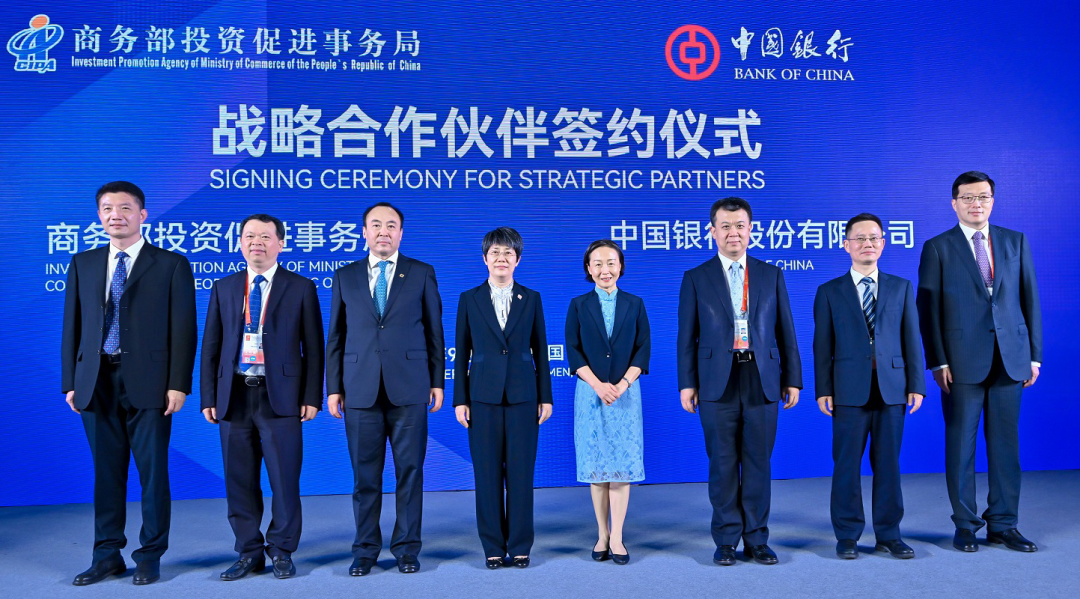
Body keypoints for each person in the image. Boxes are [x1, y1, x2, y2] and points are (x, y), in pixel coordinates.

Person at [61, 181, 197, 586]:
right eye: (107, 208)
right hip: (95, 380)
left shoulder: (170, 264)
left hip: (151, 383)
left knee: (152, 474)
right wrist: (71, 381)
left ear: (142, 214)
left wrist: (178, 384)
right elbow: (72, 326)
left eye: (124, 208)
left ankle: (150, 554)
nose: (115, 215)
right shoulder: (83, 263)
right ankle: (106, 555)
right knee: (106, 474)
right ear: (99, 216)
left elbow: (184, 330)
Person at [917, 171, 1042, 553]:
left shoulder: (1014, 241)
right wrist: (938, 362)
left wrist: (1034, 355)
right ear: (954, 203)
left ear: (993, 200)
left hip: (1011, 359)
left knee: (1006, 448)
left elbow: (1029, 299)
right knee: (961, 448)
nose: (977, 204)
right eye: (968, 197)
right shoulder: (937, 247)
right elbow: (928, 310)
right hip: (960, 364)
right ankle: (966, 525)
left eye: (983, 197)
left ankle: (1004, 524)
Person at [676, 197, 801, 567]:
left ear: (751, 229)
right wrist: (687, 383)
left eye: (740, 225)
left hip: (762, 378)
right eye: (726, 226)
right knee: (723, 463)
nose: (734, 233)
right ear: (712, 231)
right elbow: (686, 337)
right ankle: (727, 539)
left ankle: (757, 539)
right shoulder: (696, 277)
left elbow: (786, 331)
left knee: (759, 462)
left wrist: (793, 378)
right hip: (716, 382)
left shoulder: (771, 274)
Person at [200, 214, 325, 580]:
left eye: (266, 236)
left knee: (284, 479)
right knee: (238, 479)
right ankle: (248, 551)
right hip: (234, 395)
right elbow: (211, 347)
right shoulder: (224, 287)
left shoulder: (300, 287)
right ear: (240, 243)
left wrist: (312, 396)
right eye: (250, 236)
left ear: (280, 244)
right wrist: (209, 395)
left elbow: (314, 348)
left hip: (281, 397)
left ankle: (282, 549)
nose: (257, 242)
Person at [326, 202, 445, 576]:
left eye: (391, 225)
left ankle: (407, 548)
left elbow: (435, 332)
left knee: (410, 472)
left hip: (410, 387)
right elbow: (336, 336)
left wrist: (437, 381)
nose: (383, 231)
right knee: (365, 477)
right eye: (375, 225)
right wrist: (333, 388)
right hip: (359, 389)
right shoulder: (345, 275)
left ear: (401, 233)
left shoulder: (421, 272)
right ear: (364, 232)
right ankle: (365, 550)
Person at [813, 213, 925, 560]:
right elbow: (822, 346)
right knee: (846, 465)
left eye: (874, 238)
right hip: (848, 391)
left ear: (883, 243)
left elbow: (911, 339)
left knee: (888, 464)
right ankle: (847, 535)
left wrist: (916, 384)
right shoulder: (829, 291)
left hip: (892, 389)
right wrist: (823, 389)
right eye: (859, 238)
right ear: (846, 245)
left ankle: (889, 534)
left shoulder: (901, 287)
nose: (867, 244)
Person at [453, 227, 553, 569]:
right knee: (487, 475)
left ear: (518, 259)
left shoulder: (532, 298)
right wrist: (460, 399)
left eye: (508, 253)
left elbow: (541, 350)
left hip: (524, 396)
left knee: (522, 474)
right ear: (485, 258)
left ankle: (521, 544)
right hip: (481, 397)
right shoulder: (469, 299)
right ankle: (493, 546)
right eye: (495, 252)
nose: (501, 258)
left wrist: (545, 396)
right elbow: (461, 352)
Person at [565, 240, 650, 565]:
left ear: (621, 266)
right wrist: (599, 385)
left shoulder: (635, 303)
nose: (605, 270)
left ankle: (617, 536)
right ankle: (602, 534)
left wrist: (623, 384)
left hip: (626, 395)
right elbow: (573, 351)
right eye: (598, 263)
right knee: (598, 468)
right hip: (591, 394)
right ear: (588, 268)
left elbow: (643, 349)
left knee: (621, 469)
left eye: (611, 263)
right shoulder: (578, 305)